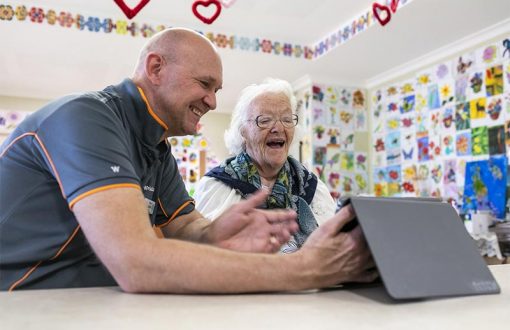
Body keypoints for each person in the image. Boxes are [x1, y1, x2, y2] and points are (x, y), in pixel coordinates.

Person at [0, 28, 376, 293]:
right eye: (205, 84)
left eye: (216, 90)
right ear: (156, 68)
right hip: (19, 299)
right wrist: (304, 269)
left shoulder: (157, 148)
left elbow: (185, 228)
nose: (212, 102)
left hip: (86, 302)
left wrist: (215, 232)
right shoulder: (86, 116)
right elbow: (137, 262)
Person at [195, 79, 336, 253]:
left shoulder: (311, 186)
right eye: (265, 120)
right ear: (243, 132)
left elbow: (334, 246)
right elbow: (202, 255)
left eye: (286, 119)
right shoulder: (217, 186)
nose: (278, 127)